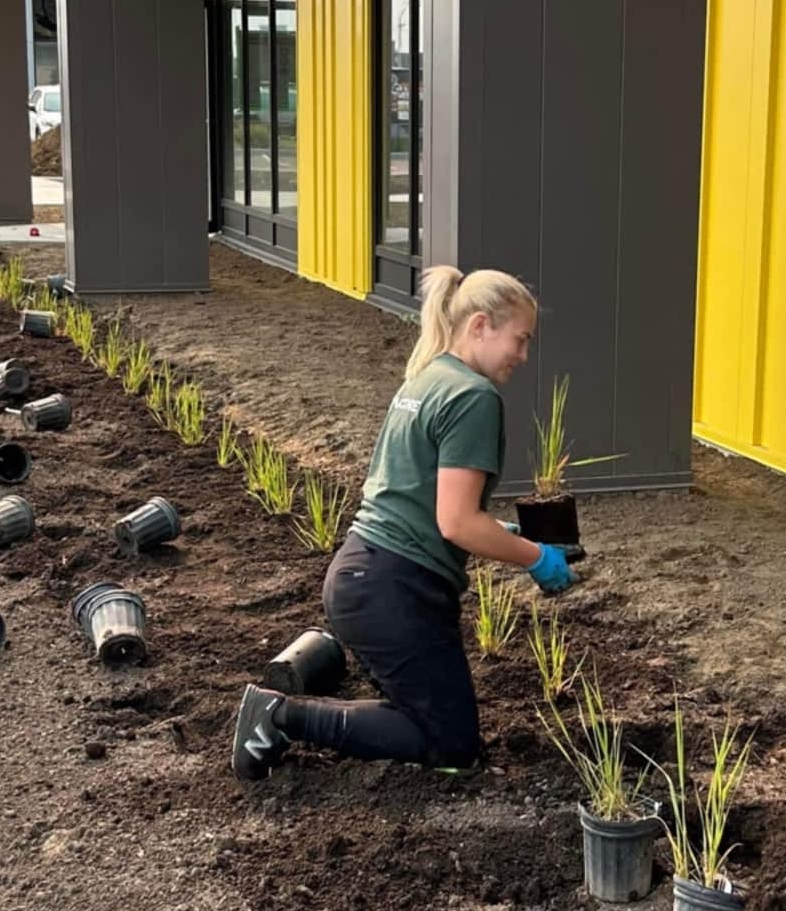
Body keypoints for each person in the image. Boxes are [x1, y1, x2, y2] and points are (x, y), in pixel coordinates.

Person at [230, 267, 576, 780]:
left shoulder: (430, 377)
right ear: (480, 325)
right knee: (450, 742)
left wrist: (507, 531)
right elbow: (457, 522)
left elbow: (419, 497)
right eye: (520, 340)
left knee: (438, 722)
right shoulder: (474, 397)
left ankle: (283, 714)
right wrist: (536, 558)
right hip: (396, 591)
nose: (523, 356)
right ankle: (279, 716)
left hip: (366, 578)